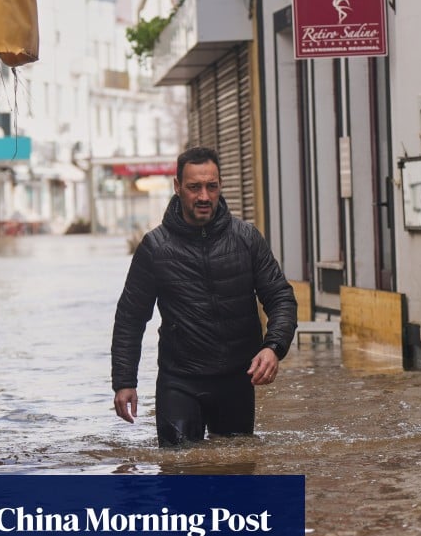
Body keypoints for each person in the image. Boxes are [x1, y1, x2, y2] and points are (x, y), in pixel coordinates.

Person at [110, 146, 297, 446]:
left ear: (221, 185)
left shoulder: (246, 239)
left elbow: (281, 298)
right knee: (179, 474)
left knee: (236, 474)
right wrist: (124, 382)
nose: (204, 197)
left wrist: (274, 347)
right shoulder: (155, 248)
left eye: (212, 186)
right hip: (179, 381)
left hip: (237, 380)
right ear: (177, 187)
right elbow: (130, 319)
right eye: (194, 187)